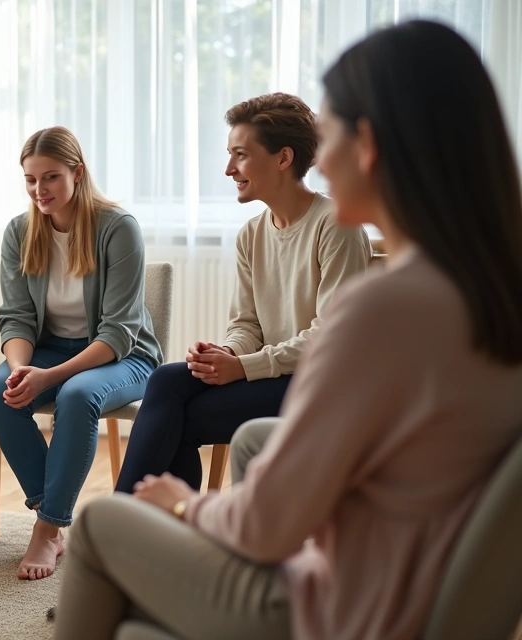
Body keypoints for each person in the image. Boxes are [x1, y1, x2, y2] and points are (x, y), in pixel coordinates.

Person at [53, 20, 522, 640]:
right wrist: (228, 354)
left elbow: (265, 526)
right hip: (412, 586)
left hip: (349, 609)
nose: (319, 158)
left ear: (370, 147)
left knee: (100, 527)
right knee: (177, 392)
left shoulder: (384, 306)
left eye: (325, 137)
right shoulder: (485, 288)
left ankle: (135, 545)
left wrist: (186, 507)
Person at [114, 92, 371, 493]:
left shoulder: (336, 225)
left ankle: (130, 527)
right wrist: (227, 354)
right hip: (271, 374)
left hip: (323, 385)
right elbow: (247, 323)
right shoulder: (252, 233)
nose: (229, 168)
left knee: (174, 417)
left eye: (241, 155)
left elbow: (330, 339)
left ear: (283, 158)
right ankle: (141, 526)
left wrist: (243, 367)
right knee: (168, 381)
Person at [0, 126, 160, 580]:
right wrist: (23, 369)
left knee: (77, 397)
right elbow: (17, 317)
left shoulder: (117, 228)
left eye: (51, 178)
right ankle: (54, 510)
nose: (39, 190)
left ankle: (46, 529)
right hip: (49, 350)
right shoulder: (20, 231)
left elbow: (119, 332)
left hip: (122, 356)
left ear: (77, 173)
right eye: (30, 179)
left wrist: (50, 377)